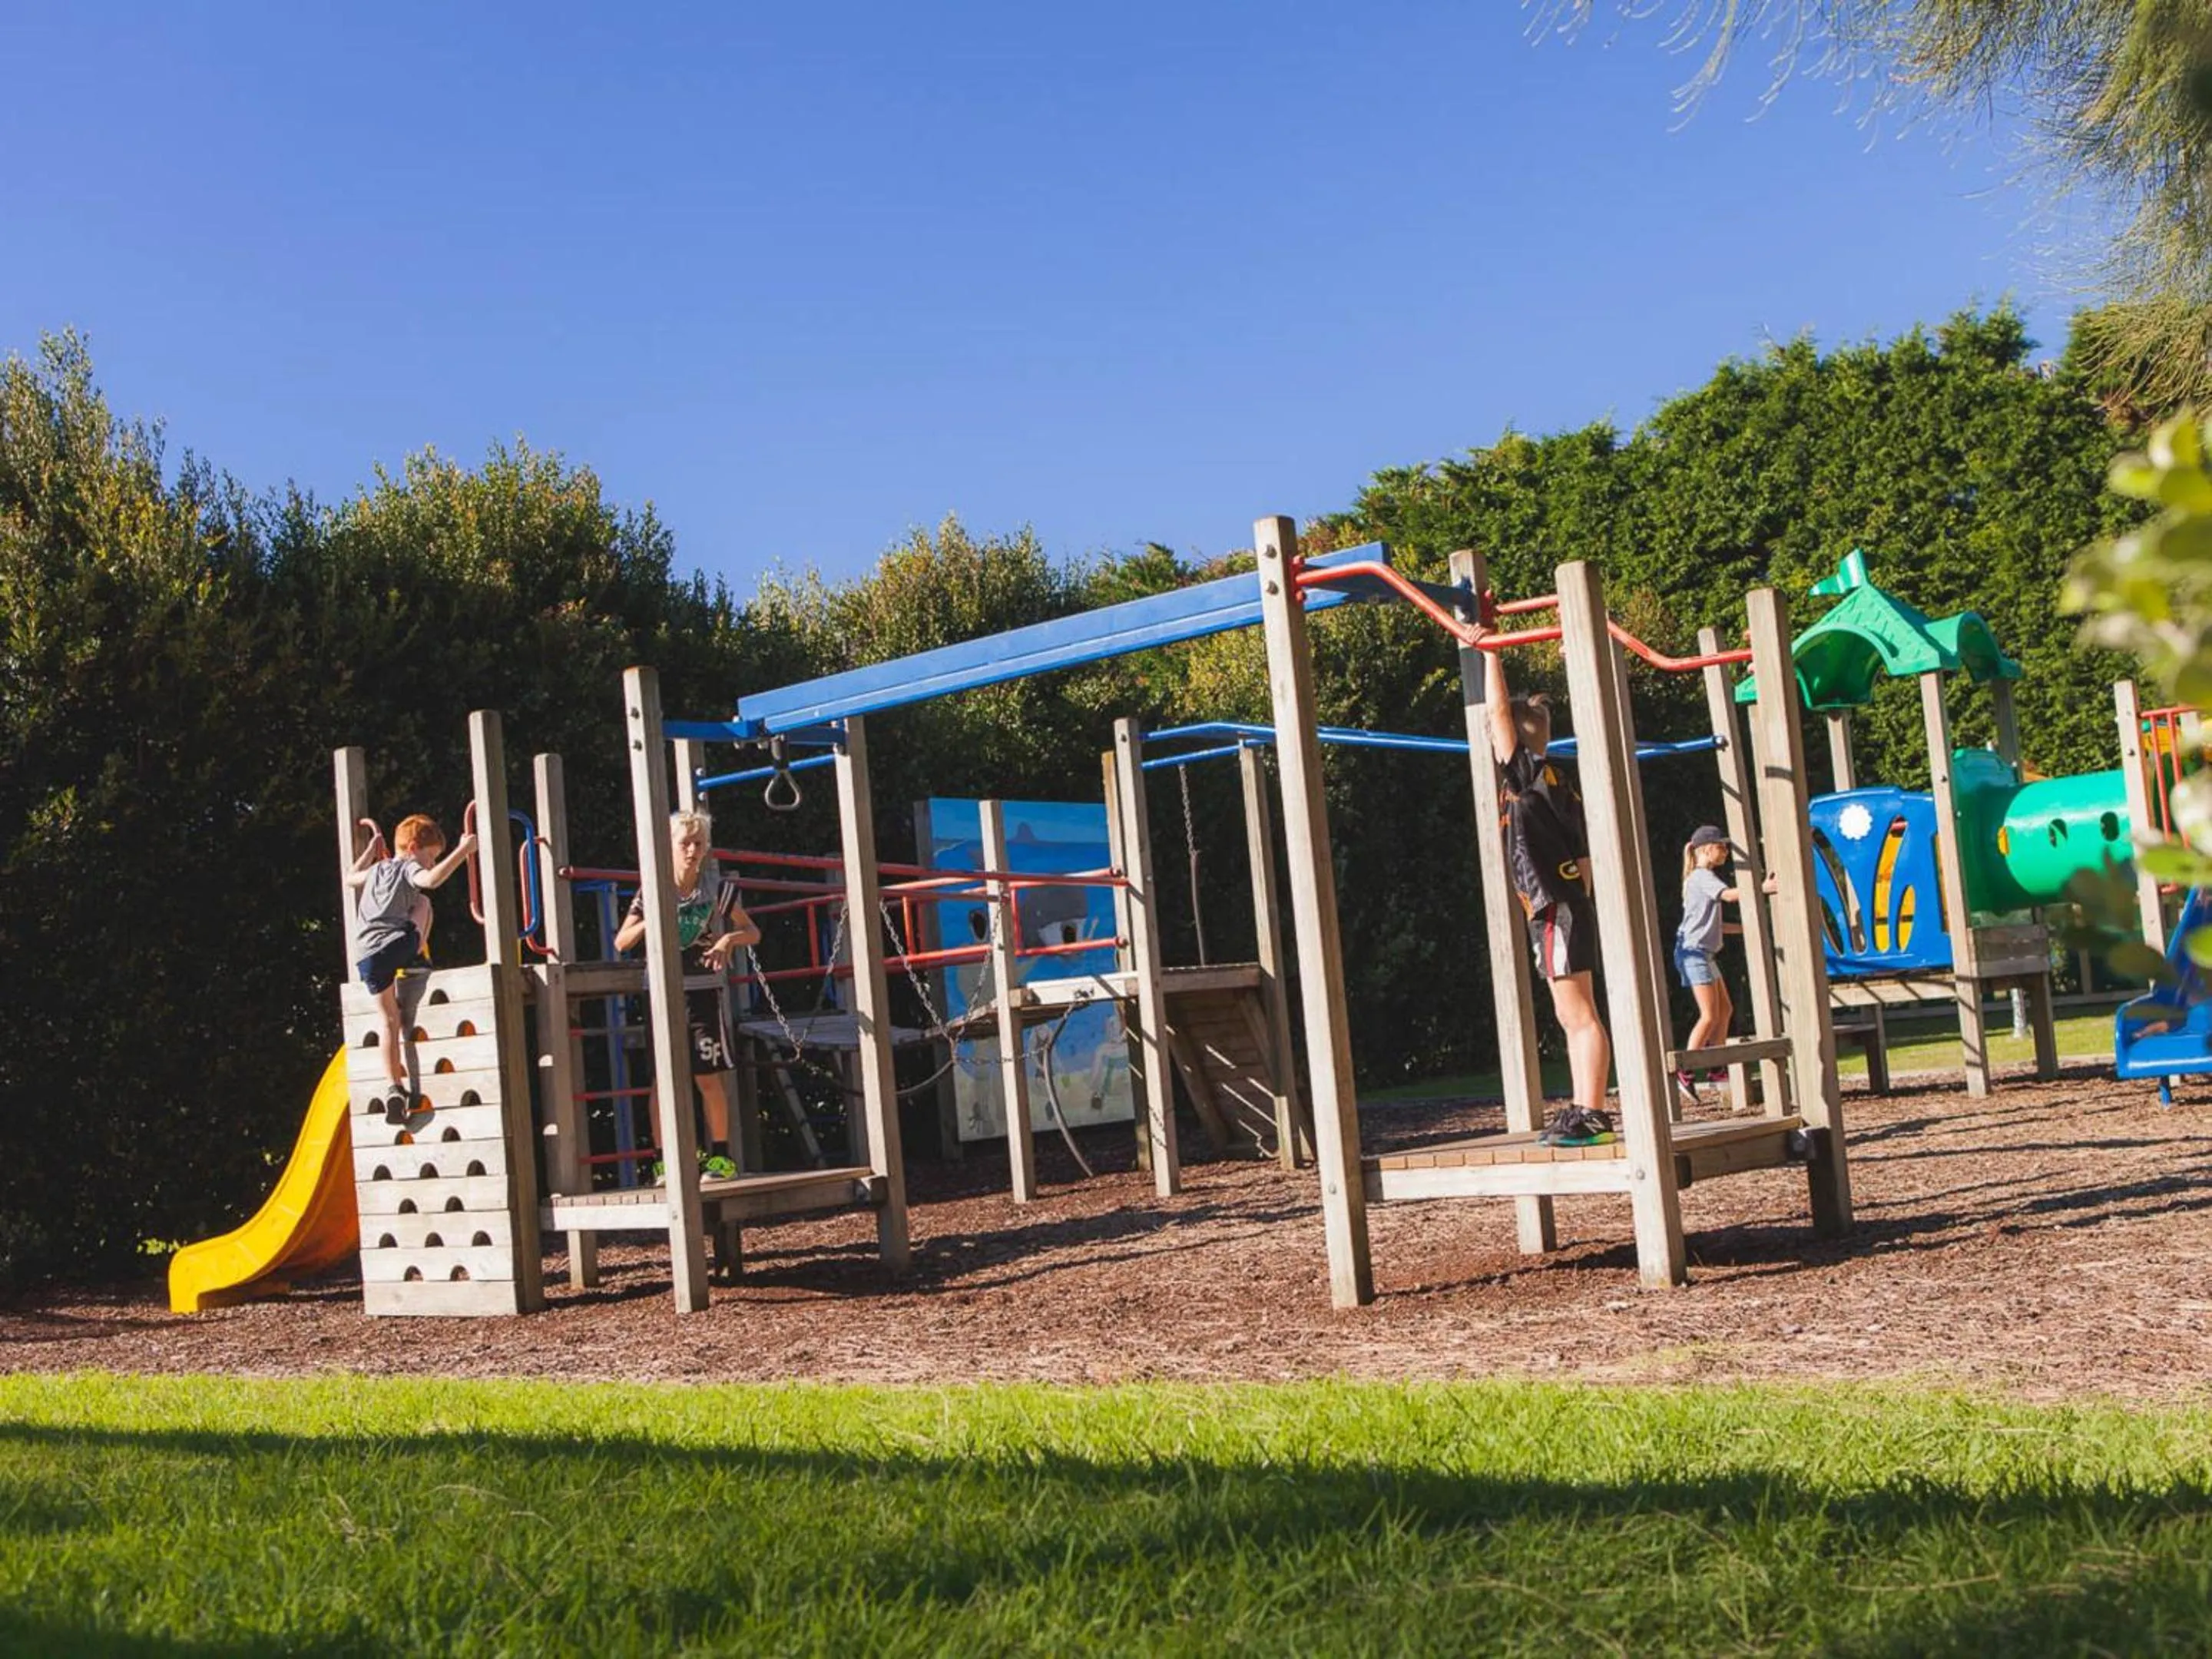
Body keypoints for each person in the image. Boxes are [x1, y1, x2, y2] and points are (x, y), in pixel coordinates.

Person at [1472, 631, 1614, 1147]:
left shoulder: (1526, 775)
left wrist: (1488, 651)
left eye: (1498, 736)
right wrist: (1576, 901)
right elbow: (1583, 856)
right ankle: (1584, 1107)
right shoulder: (1557, 782)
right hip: (1561, 905)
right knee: (1572, 1013)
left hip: (1555, 907)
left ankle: (1593, 1113)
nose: (1494, 741)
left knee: (1578, 1015)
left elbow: (1498, 715)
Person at [613, 808, 760, 1181]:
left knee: (707, 1077)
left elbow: (752, 932)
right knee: (662, 1079)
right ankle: (664, 1162)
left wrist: (727, 939)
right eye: (685, 844)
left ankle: (721, 1159)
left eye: (698, 844)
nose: (692, 851)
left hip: (703, 990)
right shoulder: (653, 890)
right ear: (670, 847)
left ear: (706, 848)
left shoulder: (717, 889)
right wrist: (653, 919)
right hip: (663, 994)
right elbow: (621, 941)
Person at [346, 813, 478, 1125]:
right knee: (423, 904)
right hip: (393, 947)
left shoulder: (377, 869)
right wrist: (464, 850)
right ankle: (416, 957)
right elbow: (430, 882)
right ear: (413, 848)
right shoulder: (408, 867)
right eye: (431, 857)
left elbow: (350, 877)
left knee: (389, 1020)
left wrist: (371, 850)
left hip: (366, 956)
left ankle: (393, 1088)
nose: (431, 864)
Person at [1673, 824, 1774, 1099]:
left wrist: (1745, 929)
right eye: (1722, 847)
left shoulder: (1702, 879)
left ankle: (1716, 1068)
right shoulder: (1701, 877)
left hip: (1703, 953)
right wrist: (1763, 888)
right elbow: (1729, 896)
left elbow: (1713, 925)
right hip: (1693, 953)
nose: (1726, 852)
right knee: (1709, 1015)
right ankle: (1685, 1070)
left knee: (1725, 1010)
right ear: (1706, 849)